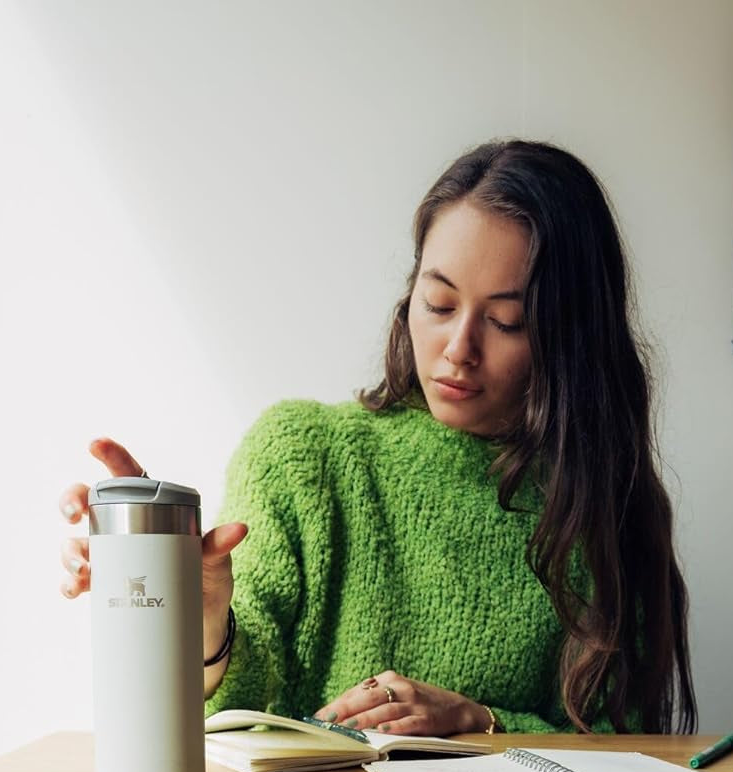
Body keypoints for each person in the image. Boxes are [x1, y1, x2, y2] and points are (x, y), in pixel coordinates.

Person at [59, 139, 697, 735]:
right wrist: (199, 618)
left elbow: (625, 755)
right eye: (440, 304)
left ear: (572, 338)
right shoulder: (303, 455)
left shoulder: (600, 506)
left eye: (506, 321)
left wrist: (481, 723)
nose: (458, 349)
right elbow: (235, 710)